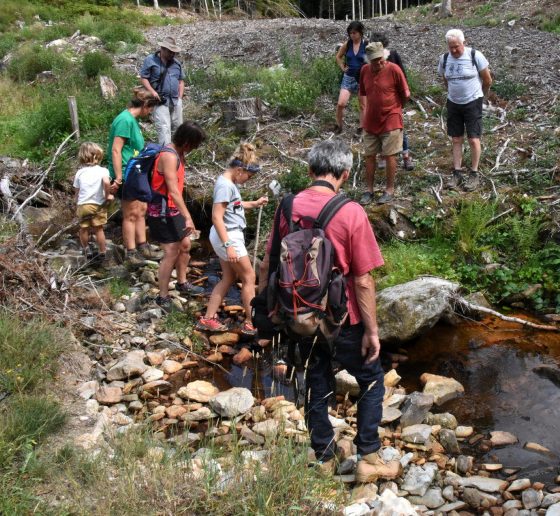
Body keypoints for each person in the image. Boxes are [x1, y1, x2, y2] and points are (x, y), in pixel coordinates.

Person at [257, 139, 402, 483]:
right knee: (371, 379)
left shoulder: (287, 205)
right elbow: (363, 280)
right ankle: (369, 456)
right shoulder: (351, 212)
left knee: (315, 378)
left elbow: (267, 262)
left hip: (298, 315)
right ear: (347, 174)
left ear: (309, 171)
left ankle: (324, 456)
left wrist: (265, 308)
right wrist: (372, 331)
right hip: (342, 317)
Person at [197, 143, 268, 333]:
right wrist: (228, 245)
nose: (248, 180)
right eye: (248, 176)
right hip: (228, 236)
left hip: (226, 235)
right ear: (239, 170)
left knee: (229, 277)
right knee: (249, 276)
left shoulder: (228, 182)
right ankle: (251, 322)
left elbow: (233, 205)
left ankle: (208, 318)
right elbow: (217, 217)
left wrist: (254, 203)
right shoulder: (226, 186)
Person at [147, 121, 207, 312]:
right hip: (162, 210)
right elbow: (172, 191)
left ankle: (182, 283)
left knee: (186, 245)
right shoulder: (169, 156)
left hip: (174, 209)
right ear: (186, 141)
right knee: (170, 253)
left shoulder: (179, 153)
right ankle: (162, 296)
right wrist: (188, 217)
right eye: (195, 144)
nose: (195, 148)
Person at [107, 88, 162, 268]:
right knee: (130, 214)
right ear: (145, 105)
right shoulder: (124, 120)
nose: (150, 113)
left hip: (136, 171)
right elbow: (116, 149)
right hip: (125, 172)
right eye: (150, 109)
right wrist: (118, 177)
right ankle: (131, 252)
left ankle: (142, 246)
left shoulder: (132, 120)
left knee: (141, 210)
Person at [438, 29, 493, 192]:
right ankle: (457, 172)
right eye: (451, 47)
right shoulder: (445, 58)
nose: (454, 50)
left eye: (456, 47)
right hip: (453, 102)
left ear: (464, 43)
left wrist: (478, 95)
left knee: (473, 138)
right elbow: (445, 79)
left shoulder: (475, 56)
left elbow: (487, 79)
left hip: (472, 102)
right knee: (456, 138)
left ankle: (474, 173)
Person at [357, 42, 410, 206]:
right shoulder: (365, 71)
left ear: (384, 56)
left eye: (380, 59)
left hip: (391, 118)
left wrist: (396, 108)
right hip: (371, 120)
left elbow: (406, 93)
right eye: (374, 60)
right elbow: (362, 93)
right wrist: (364, 112)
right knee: (369, 155)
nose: (378, 62)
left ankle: (389, 189)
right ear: (368, 60)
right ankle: (370, 190)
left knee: (390, 154)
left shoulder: (394, 69)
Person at [369, 32, 414, 173]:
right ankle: (383, 155)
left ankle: (406, 156)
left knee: (399, 129)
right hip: (378, 103)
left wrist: (400, 102)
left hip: (394, 100)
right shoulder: (370, 59)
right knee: (381, 130)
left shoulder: (393, 55)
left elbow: (403, 77)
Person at [73, 142, 114, 266]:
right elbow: (106, 182)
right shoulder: (103, 171)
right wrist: (107, 195)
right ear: (98, 156)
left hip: (83, 204)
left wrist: (76, 204)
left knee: (84, 228)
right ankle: (102, 251)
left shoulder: (79, 173)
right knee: (98, 229)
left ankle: (85, 249)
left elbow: (77, 192)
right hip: (98, 205)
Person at [140, 36, 185, 146]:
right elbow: (144, 78)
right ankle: (166, 153)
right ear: (163, 49)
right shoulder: (150, 60)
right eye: (170, 52)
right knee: (164, 128)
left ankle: (177, 154)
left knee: (178, 128)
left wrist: (180, 97)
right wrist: (152, 92)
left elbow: (181, 80)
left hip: (175, 100)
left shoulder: (176, 63)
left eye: (174, 52)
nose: (172, 54)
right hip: (160, 100)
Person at [334, 21, 368, 135]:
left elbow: (373, 60)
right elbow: (338, 56)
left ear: (360, 32)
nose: (352, 35)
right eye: (350, 33)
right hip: (348, 78)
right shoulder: (347, 44)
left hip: (362, 79)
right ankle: (338, 125)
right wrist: (342, 67)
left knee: (363, 105)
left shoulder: (367, 45)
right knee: (341, 103)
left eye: (354, 33)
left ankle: (361, 127)